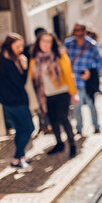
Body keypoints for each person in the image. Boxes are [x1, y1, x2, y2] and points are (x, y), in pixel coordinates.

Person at [29, 32, 79, 157]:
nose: (46, 44)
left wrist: (73, 93)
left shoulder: (60, 56)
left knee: (64, 118)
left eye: (48, 41)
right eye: (43, 41)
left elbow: (68, 74)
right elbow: (31, 77)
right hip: (45, 95)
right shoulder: (35, 58)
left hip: (61, 92)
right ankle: (59, 144)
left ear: (53, 43)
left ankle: (72, 144)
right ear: (38, 42)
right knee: (53, 120)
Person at [0, 33, 34, 171]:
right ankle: (17, 158)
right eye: (18, 46)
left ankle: (22, 156)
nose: (21, 49)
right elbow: (20, 83)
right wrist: (25, 68)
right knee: (28, 128)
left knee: (20, 129)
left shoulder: (3, 59)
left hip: (8, 102)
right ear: (10, 46)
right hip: (16, 101)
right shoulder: (9, 63)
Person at [64, 23, 102, 135]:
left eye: (79, 30)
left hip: (87, 82)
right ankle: (79, 128)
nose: (77, 33)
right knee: (76, 107)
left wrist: (90, 72)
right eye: (75, 30)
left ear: (85, 31)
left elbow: (100, 61)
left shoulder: (92, 45)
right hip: (73, 82)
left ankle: (96, 126)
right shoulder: (68, 44)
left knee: (92, 105)